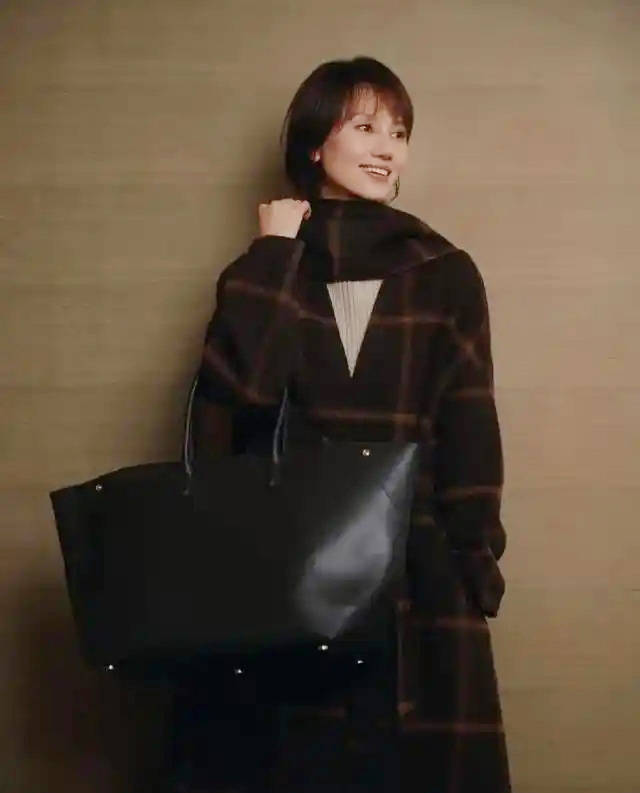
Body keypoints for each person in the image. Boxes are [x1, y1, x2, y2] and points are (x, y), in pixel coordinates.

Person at [168, 55, 510, 793]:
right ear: (315, 144)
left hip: (418, 578)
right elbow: (243, 396)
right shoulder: (265, 268)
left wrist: (474, 563)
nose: (388, 149)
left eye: (400, 132)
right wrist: (274, 254)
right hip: (283, 575)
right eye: (365, 127)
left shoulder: (444, 271)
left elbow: (470, 430)